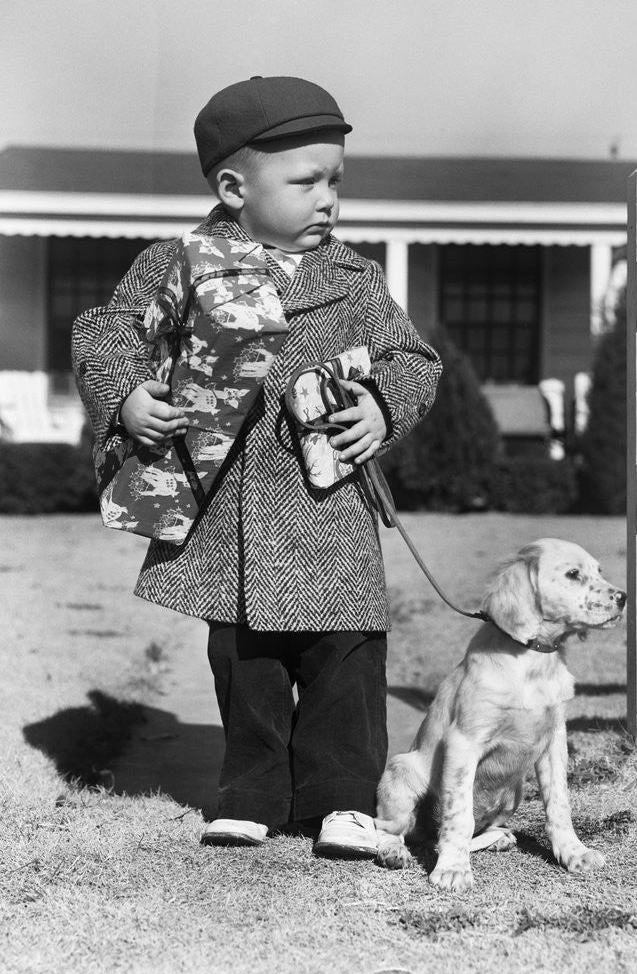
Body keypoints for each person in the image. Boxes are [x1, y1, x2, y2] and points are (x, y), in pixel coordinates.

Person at [72, 76, 441, 858]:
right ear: (234, 188)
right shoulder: (180, 263)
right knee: (247, 661)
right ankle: (252, 794)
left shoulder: (354, 279)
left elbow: (413, 359)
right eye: (305, 181)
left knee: (344, 653)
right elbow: (106, 332)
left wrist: (381, 405)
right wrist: (129, 396)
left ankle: (342, 800)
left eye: (335, 180)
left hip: (327, 503)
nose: (328, 199)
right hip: (227, 504)